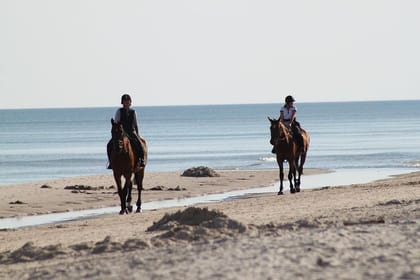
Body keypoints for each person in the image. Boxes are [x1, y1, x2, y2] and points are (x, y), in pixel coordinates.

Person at [107, 94, 145, 170]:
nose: (126, 103)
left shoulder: (133, 112)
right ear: (122, 102)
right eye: (125, 101)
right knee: (109, 145)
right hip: (121, 133)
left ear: (130, 102)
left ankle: (141, 160)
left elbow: (135, 124)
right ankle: (111, 162)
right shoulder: (119, 111)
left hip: (131, 132)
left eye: (128, 101)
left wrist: (137, 134)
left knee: (140, 145)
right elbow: (116, 122)